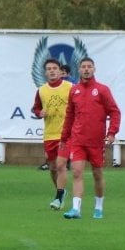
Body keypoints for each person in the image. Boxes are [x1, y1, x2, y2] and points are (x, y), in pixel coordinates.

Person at [60, 57, 121, 219]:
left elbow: (115, 111)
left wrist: (112, 132)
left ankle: (99, 207)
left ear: (94, 69)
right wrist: (64, 137)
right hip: (78, 140)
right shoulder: (74, 90)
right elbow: (69, 115)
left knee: (97, 174)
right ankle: (76, 209)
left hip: (96, 141)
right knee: (77, 172)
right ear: (79, 70)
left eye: (89, 67)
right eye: (83, 67)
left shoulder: (102, 90)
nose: (86, 69)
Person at [31, 58, 73, 209]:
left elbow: (78, 105)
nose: (52, 71)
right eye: (49, 69)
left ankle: (59, 197)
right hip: (50, 134)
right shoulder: (42, 90)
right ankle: (60, 192)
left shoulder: (70, 87)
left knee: (61, 165)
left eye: (55, 68)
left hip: (66, 135)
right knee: (53, 168)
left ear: (61, 71)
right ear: (45, 72)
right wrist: (39, 112)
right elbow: (35, 108)